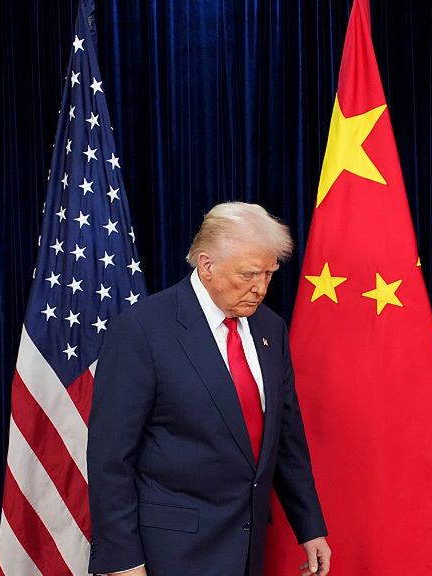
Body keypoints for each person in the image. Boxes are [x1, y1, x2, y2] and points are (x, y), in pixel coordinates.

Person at [87, 202, 331, 576]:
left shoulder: (270, 329)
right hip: (169, 553)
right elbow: (110, 458)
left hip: (247, 550)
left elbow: (285, 439)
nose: (261, 288)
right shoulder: (143, 330)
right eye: (249, 274)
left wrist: (309, 526)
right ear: (207, 265)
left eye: (269, 274)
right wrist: (123, 561)